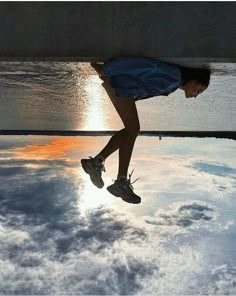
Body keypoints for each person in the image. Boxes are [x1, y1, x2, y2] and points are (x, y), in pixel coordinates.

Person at [81, 56, 211, 204]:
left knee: (131, 130)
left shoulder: (175, 83)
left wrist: (107, 72)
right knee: (132, 129)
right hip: (120, 85)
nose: (195, 95)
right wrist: (107, 69)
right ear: (194, 80)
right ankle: (118, 181)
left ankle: (99, 166)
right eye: (199, 90)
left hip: (121, 86)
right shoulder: (174, 76)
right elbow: (144, 65)